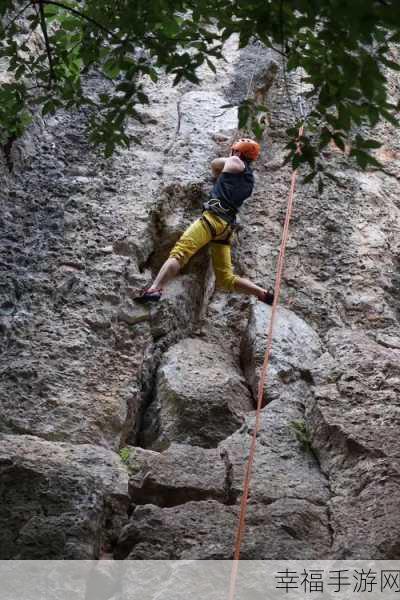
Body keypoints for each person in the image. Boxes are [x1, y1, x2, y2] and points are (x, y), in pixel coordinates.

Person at [136, 138, 274, 305]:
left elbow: (215, 164)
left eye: (234, 151)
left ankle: (154, 289)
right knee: (226, 279)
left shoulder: (235, 161)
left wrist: (226, 164)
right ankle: (262, 293)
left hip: (212, 220)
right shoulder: (250, 179)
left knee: (180, 252)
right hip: (226, 228)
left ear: (238, 152)